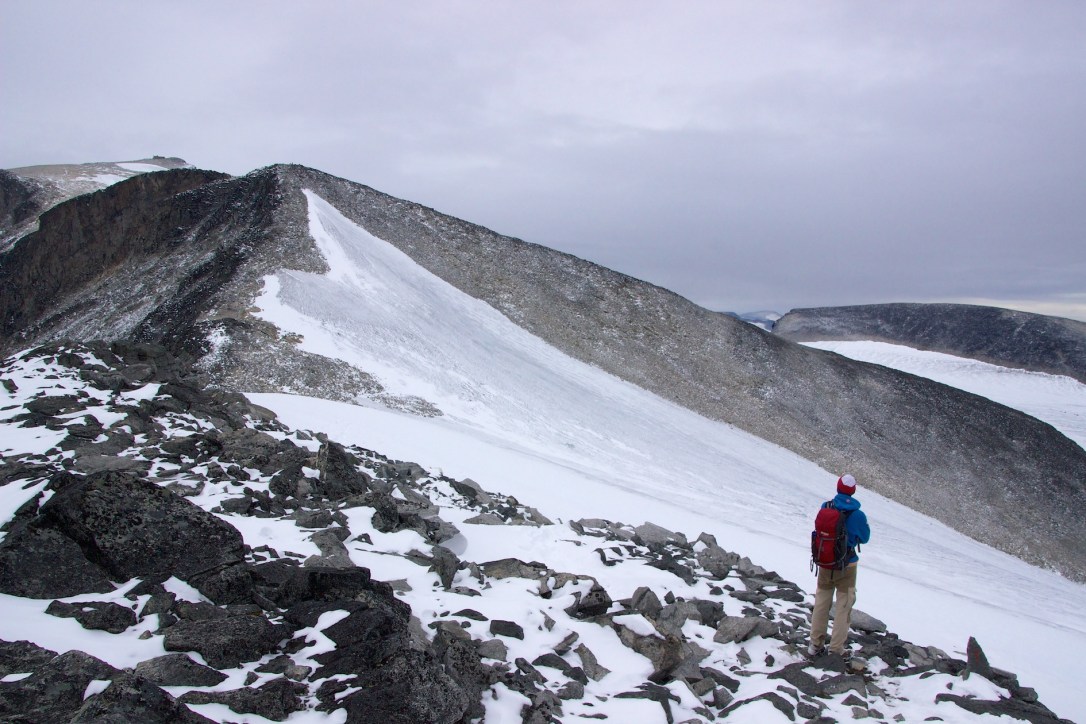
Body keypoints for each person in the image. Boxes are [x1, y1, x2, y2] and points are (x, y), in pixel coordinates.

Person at [809, 473, 871, 658]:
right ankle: (836, 649)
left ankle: (815, 644)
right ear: (853, 491)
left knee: (822, 602)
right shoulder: (857, 515)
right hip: (847, 565)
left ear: (838, 488)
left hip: (825, 561)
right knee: (844, 606)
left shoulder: (826, 506)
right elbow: (865, 538)